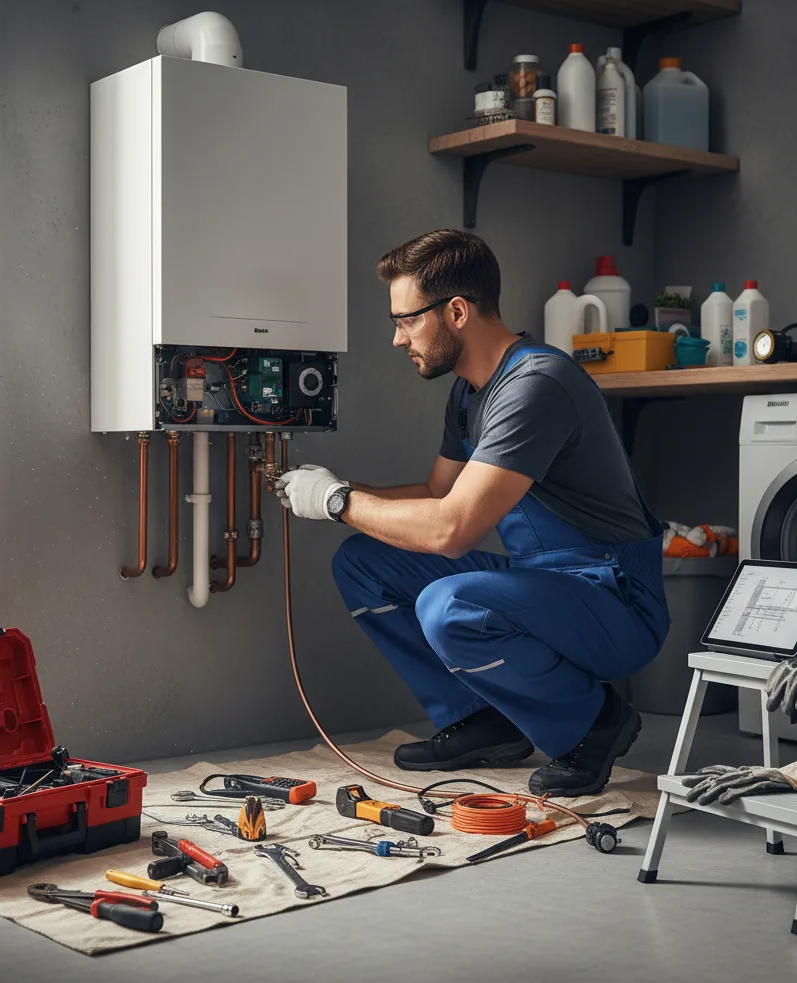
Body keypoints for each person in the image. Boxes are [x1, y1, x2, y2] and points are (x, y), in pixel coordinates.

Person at [276, 229, 669, 796]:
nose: (396, 338)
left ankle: (594, 723)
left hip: (613, 598)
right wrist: (335, 488)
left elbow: (452, 530)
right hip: (544, 584)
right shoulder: (469, 394)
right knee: (365, 561)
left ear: (456, 311)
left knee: (448, 603)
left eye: (406, 319)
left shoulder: (536, 385)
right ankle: (483, 721)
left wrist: (337, 503)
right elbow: (439, 495)